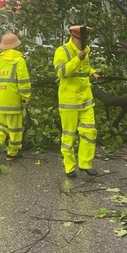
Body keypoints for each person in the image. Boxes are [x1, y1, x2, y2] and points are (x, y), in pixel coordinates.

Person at [54, 25, 101, 178]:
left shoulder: (84, 51)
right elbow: (62, 73)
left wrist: (93, 73)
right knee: (69, 135)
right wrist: (76, 59)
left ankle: (85, 164)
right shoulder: (62, 51)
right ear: (74, 38)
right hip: (69, 101)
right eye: (83, 40)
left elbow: (85, 68)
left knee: (89, 132)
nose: (86, 43)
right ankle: (69, 167)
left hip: (86, 100)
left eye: (87, 40)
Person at [0, 33, 31, 161]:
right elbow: (23, 82)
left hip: (0, 101)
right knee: (15, 129)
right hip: (13, 102)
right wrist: (25, 98)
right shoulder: (19, 61)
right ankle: (12, 153)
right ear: (16, 45)